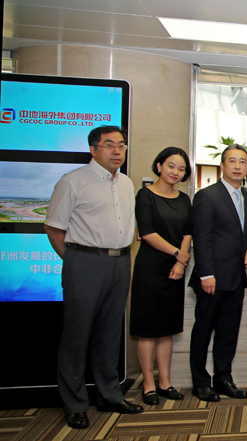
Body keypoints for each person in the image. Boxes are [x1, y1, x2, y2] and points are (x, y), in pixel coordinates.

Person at [45, 126, 142, 428]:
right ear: (93, 149)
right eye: (109, 145)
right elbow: (53, 227)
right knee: (77, 336)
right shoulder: (73, 181)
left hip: (120, 262)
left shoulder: (125, 182)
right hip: (84, 262)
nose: (117, 151)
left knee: (110, 334)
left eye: (121, 145)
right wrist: (76, 261)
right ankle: (75, 404)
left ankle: (110, 396)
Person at [189, 144, 247, 402]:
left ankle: (223, 379)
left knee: (228, 333)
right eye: (232, 161)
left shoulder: (246, 195)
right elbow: (202, 237)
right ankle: (200, 383)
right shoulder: (207, 196)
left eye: (242, 162)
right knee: (203, 332)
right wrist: (206, 274)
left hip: (236, 277)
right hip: (212, 278)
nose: (238, 166)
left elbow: (244, 231)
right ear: (222, 165)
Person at [131, 147, 192, 406]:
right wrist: (178, 254)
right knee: (148, 330)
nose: (175, 172)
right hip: (150, 267)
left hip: (176, 269)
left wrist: (181, 262)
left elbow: (188, 232)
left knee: (167, 329)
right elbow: (147, 232)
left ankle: (165, 382)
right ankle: (148, 384)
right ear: (159, 166)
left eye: (181, 169)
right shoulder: (145, 195)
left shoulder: (184, 199)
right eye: (171, 166)